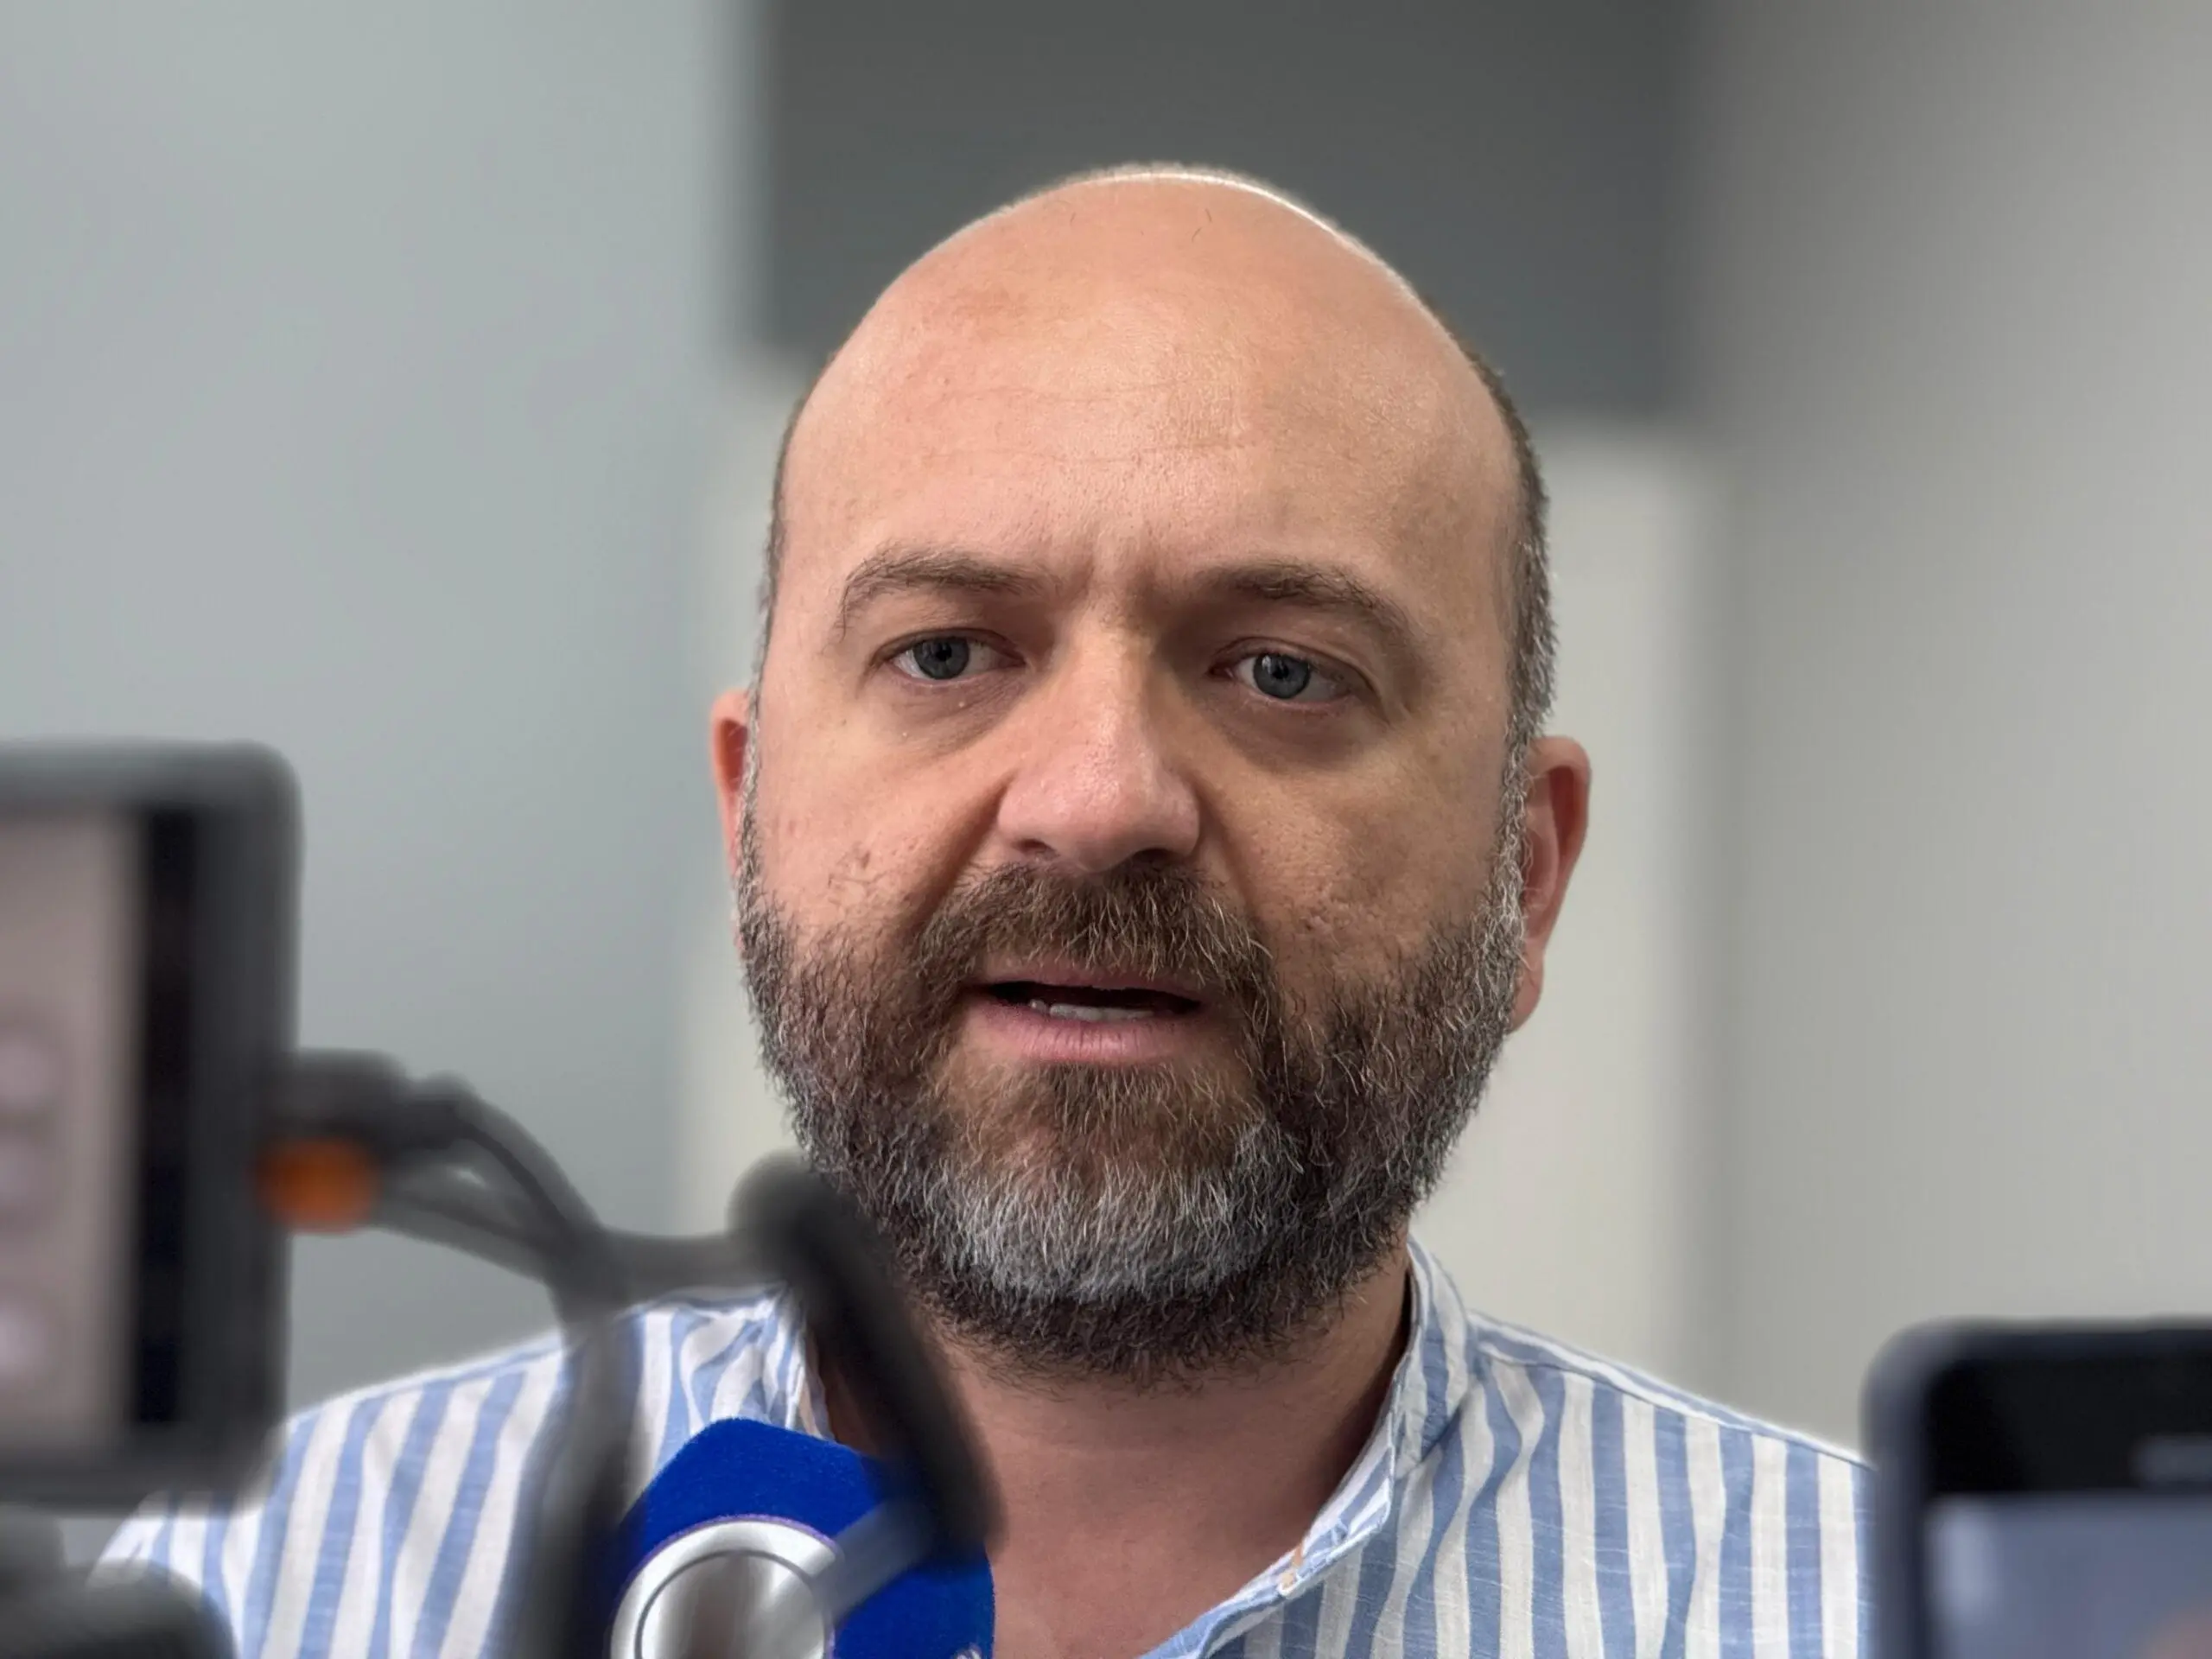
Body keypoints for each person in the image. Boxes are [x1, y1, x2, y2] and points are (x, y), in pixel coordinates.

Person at [106, 165, 1868, 1658]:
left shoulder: (1884, 1613)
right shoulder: (254, 1598)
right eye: (947, 654)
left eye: (1281, 670)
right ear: (747, 811)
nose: (1096, 802)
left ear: (1526, 871)